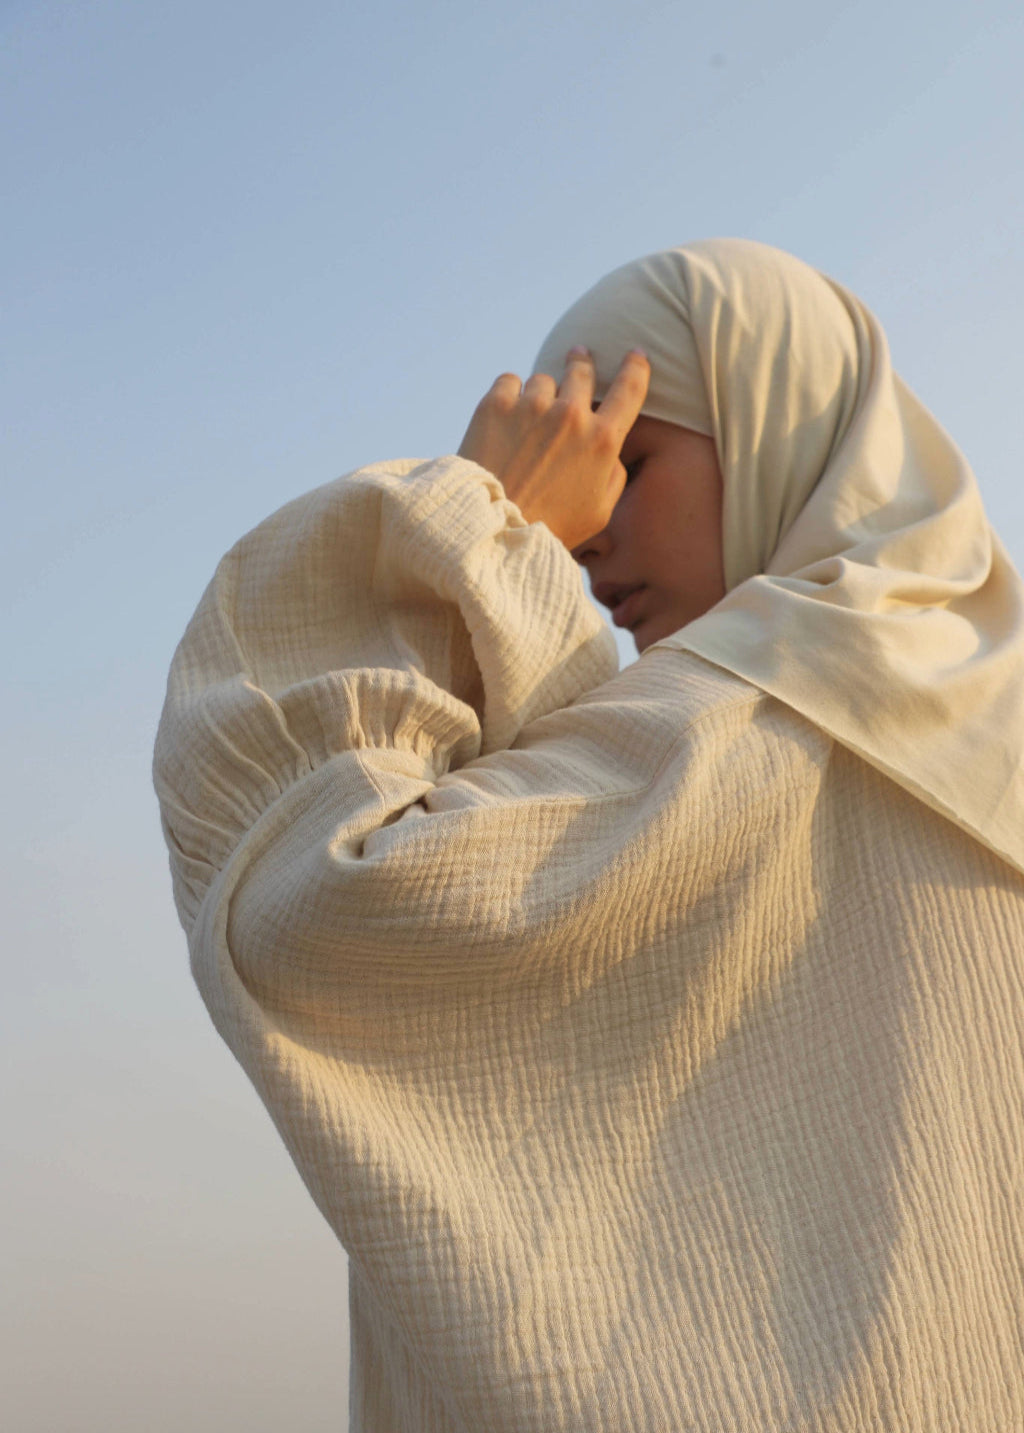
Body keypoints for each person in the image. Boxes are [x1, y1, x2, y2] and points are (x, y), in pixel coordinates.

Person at [153, 239, 1024, 1431]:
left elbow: (306, 900)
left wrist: (468, 518)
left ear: (773, 424)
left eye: (632, 456)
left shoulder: (734, 729)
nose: (586, 532)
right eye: (575, 481)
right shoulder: (981, 715)